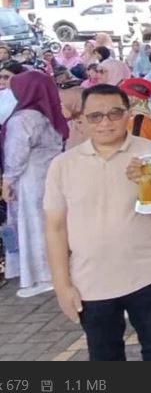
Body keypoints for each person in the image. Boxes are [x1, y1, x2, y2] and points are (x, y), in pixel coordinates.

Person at [45, 84, 151, 360]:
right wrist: (62, 284)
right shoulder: (63, 165)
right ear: (82, 120)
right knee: (104, 355)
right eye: (96, 116)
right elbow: (55, 228)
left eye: (114, 113)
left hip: (147, 273)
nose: (105, 122)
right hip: (90, 282)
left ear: (128, 114)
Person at [1, 71, 68, 298]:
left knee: (32, 225)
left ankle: (41, 274)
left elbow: (15, 154)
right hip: (51, 174)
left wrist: (7, 180)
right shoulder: (51, 113)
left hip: (28, 178)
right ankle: (54, 270)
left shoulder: (23, 119)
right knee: (52, 222)